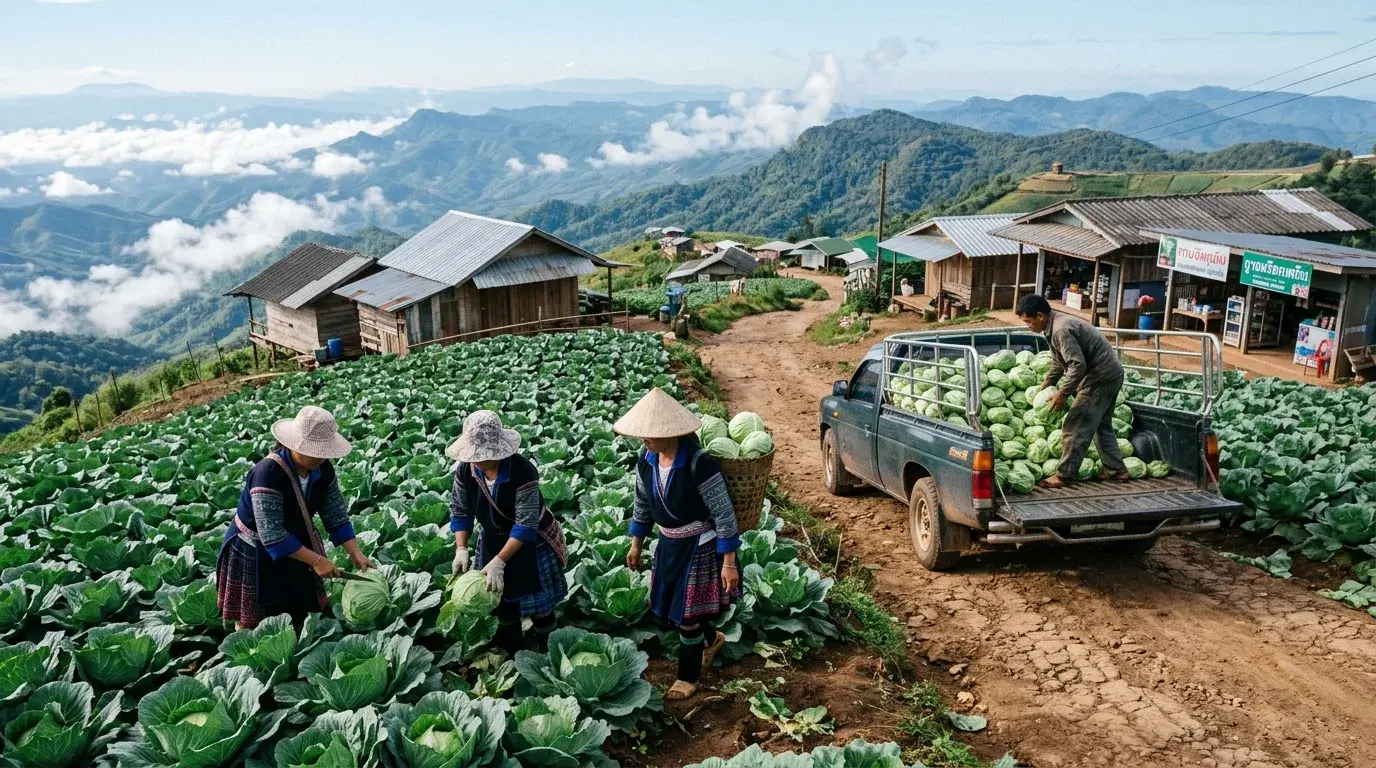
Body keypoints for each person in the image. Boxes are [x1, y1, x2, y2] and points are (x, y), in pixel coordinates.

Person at [615, 387, 741, 701]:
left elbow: (723, 513)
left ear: (669, 433)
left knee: (687, 617)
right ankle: (711, 640)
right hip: (668, 544)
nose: (643, 439)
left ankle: (688, 677)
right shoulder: (646, 460)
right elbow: (642, 504)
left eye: (649, 434)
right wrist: (636, 543)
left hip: (700, 545)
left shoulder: (698, 463)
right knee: (677, 610)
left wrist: (728, 562)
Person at [217, 405, 373, 630]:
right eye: (315, 450)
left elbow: (335, 514)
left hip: (295, 542)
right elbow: (271, 535)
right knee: (255, 619)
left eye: (324, 450)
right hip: (254, 548)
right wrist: (317, 560)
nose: (321, 456)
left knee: (297, 607)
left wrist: (356, 552)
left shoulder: (323, 470)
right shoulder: (268, 475)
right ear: (294, 444)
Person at [447, 410, 567, 654]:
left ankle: (550, 648)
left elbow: (525, 524)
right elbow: (460, 510)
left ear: (498, 452)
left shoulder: (522, 472)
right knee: (500, 601)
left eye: (482, 455)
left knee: (539, 603)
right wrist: (461, 548)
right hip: (492, 538)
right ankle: (513, 653)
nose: (476, 460)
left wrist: (499, 562)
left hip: (532, 542)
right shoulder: (465, 470)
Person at [1016, 294, 1129, 487]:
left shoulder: (1060, 329)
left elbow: (1077, 364)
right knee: (1101, 425)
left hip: (1099, 378)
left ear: (1040, 316)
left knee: (1075, 423)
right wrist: (1046, 384)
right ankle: (1117, 471)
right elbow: (1060, 362)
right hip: (1111, 374)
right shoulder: (1053, 325)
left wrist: (1063, 393)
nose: (1028, 326)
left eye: (1028, 321)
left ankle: (1064, 475)